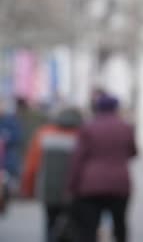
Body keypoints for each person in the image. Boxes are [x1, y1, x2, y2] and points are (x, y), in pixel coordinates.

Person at [68, 94, 137, 242]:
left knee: (89, 228)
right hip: (119, 184)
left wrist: (72, 185)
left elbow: (77, 158)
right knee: (120, 225)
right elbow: (133, 152)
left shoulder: (88, 127)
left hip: (91, 185)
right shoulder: (125, 127)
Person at [20, 107, 83, 242]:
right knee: (75, 227)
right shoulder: (83, 134)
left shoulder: (44, 133)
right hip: (76, 191)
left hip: (49, 189)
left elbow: (31, 165)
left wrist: (27, 189)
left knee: (50, 224)